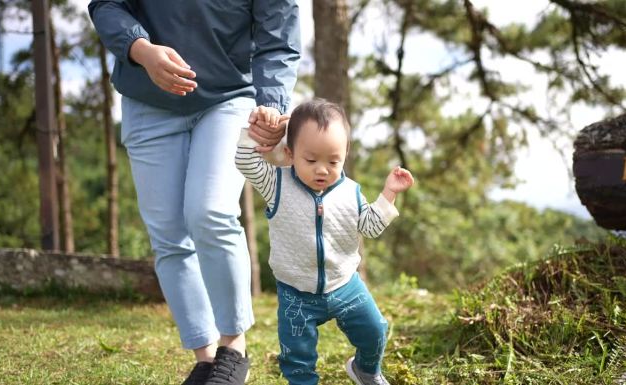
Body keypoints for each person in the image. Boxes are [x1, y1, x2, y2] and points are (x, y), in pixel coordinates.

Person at [88, 1, 300, 384]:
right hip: (146, 99)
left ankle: (233, 350)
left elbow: (278, 37)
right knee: (168, 235)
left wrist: (271, 105)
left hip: (229, 97)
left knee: (211, 211)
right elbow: (107, 5)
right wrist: (142, 50)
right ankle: (205, 361)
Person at [237, 99, 415, 385]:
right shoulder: (276, 185)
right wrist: (256, 126)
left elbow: (369, 227)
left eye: (333, 161)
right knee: (297, 357)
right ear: (290, 153)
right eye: (311, 160)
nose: (322, 170)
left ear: (345, 155)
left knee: (375, 331)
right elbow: (245, 160)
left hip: (345, 284)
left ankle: (365, 370)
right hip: (296, 293)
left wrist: (389, 193)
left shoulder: (350, 192)